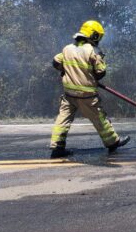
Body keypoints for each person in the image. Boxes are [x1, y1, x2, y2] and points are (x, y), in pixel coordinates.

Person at [49, 20, 130, 158]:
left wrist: (65, 70)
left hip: (69, 94)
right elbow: (100, 72)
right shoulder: (92, 51)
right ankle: (112, 142)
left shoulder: (67, 48)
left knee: (62, 120)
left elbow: (56, 62)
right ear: (94, 36)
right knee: (99, 118)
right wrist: (97, 63)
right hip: (86, 95)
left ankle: (57, 147)